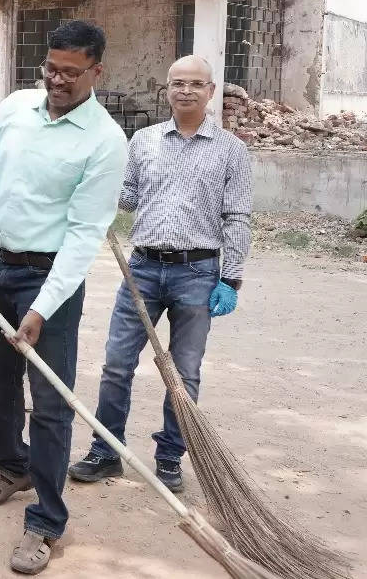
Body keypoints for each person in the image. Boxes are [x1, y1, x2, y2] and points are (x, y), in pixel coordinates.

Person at [0, 20, 127, 575]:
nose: (58, 81)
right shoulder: (18, 107)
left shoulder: (105, 141)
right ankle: (11, 466)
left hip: (52, 282)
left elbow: (84, 236)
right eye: (52, 69)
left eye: (72, 73)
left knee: (50, 404)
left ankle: (46, 520)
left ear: (97, 72)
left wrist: (43, 308)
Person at [69, 55, 252, 494]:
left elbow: (238, 217)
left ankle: (170, 456)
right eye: (177, 83)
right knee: (116, 365)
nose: (185, 91)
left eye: (195, 84)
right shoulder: (145, 141)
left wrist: (231, 278)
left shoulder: (232, 150)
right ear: (166, 90)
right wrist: (94, 187)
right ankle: (106, 451)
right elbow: (128, 197)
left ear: (211, 92)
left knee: (184, 373)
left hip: (198, 272)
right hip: (143, 270)